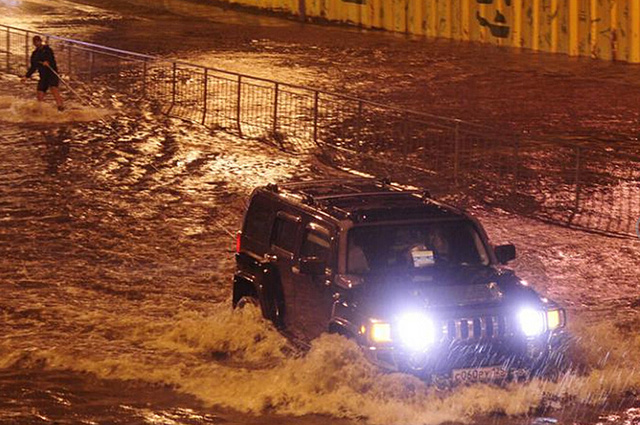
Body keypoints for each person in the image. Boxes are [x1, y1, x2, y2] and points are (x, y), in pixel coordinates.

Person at [22, 35, 64, 111]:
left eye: (38, 41)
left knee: (54, 89)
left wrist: (47, 61)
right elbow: (33, 66)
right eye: (35, 42)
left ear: (40, 41)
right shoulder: (34, 54)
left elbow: (50, 58)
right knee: (40, 93)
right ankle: (39, 109)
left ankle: (60, 106)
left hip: (51, 74)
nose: (36, 43)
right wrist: (26, 76)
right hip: (43, 76)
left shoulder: (47, 50)